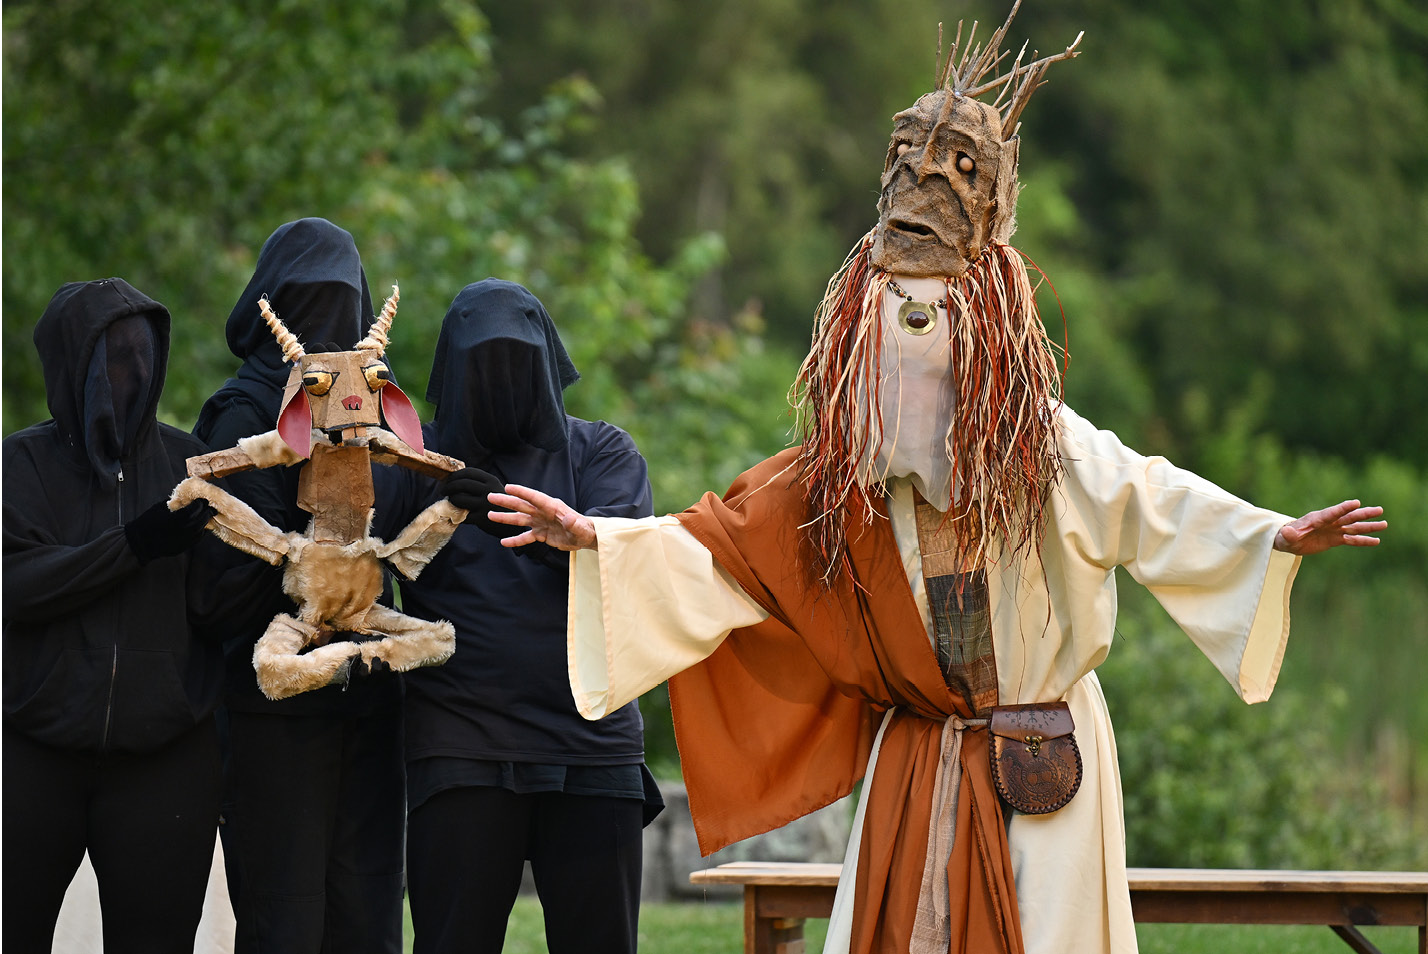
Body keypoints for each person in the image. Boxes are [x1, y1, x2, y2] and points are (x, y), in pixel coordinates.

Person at [484, 10, 1388, 954]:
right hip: (917, 763)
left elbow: (1153, 500)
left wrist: (1271, 535)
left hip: (1045, 772)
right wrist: (602, 539)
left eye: (927, 333)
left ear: (979, 341)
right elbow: (725, 550)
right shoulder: (843, 479)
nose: (904, 367)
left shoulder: (1047, 453)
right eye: (889, 333)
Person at [373, 279, 663, 954]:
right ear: (453, 368)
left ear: (546, 363)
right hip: (461, 748)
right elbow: (359, 573)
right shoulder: (416, 462)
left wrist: (518, 516)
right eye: (483, 364)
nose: (501, 380)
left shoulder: (602, 454)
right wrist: (433, 511)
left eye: (517, 362)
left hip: (593, 745)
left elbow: (630, 572)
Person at [191, 217, 406, 954]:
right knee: (284, 919)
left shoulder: (373, 410)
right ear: (272, 306)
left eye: (341, 303)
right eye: (309, 302)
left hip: (368, 703)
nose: (328, 322)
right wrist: (298, 550)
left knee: (368, 915)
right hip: (271, 715)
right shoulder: (243, 413)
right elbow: (212, 592)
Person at [3, 277, 224, 954]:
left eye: (138, 357)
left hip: (166, 759)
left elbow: (216, 609)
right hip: (31, 751)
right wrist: (135, 544)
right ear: (69, 364)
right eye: (106, 358)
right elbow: (17, 585)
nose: (123, 376)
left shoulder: (192, 467)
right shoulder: (18, 465)